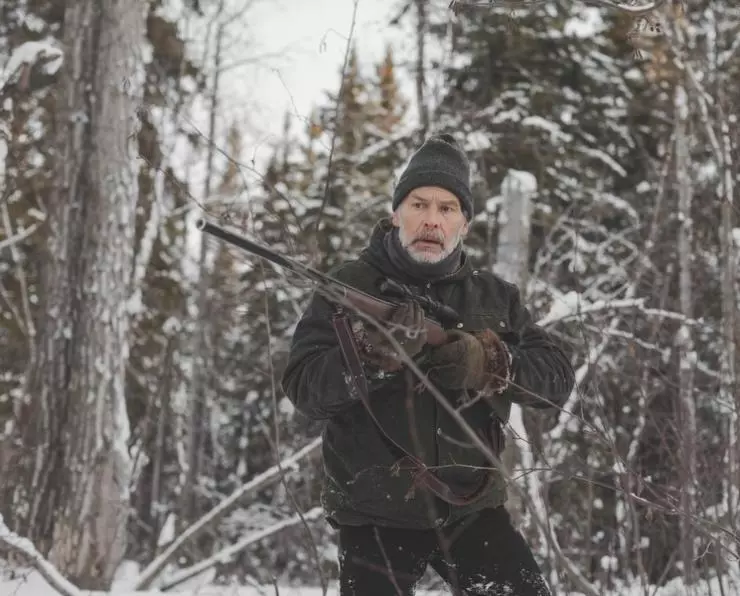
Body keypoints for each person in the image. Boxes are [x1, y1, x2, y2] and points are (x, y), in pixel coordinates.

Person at [281, 134, 575, 595]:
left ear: (464, 224)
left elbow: (556, 380)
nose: (432, 220)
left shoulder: (495, 297)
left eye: (447, 208)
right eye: (419, 205)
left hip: (471, 506)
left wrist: (487, 362)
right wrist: (369, 358)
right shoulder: (348, 285)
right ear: (396, 213)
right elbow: (303, 389)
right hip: (374, 511)